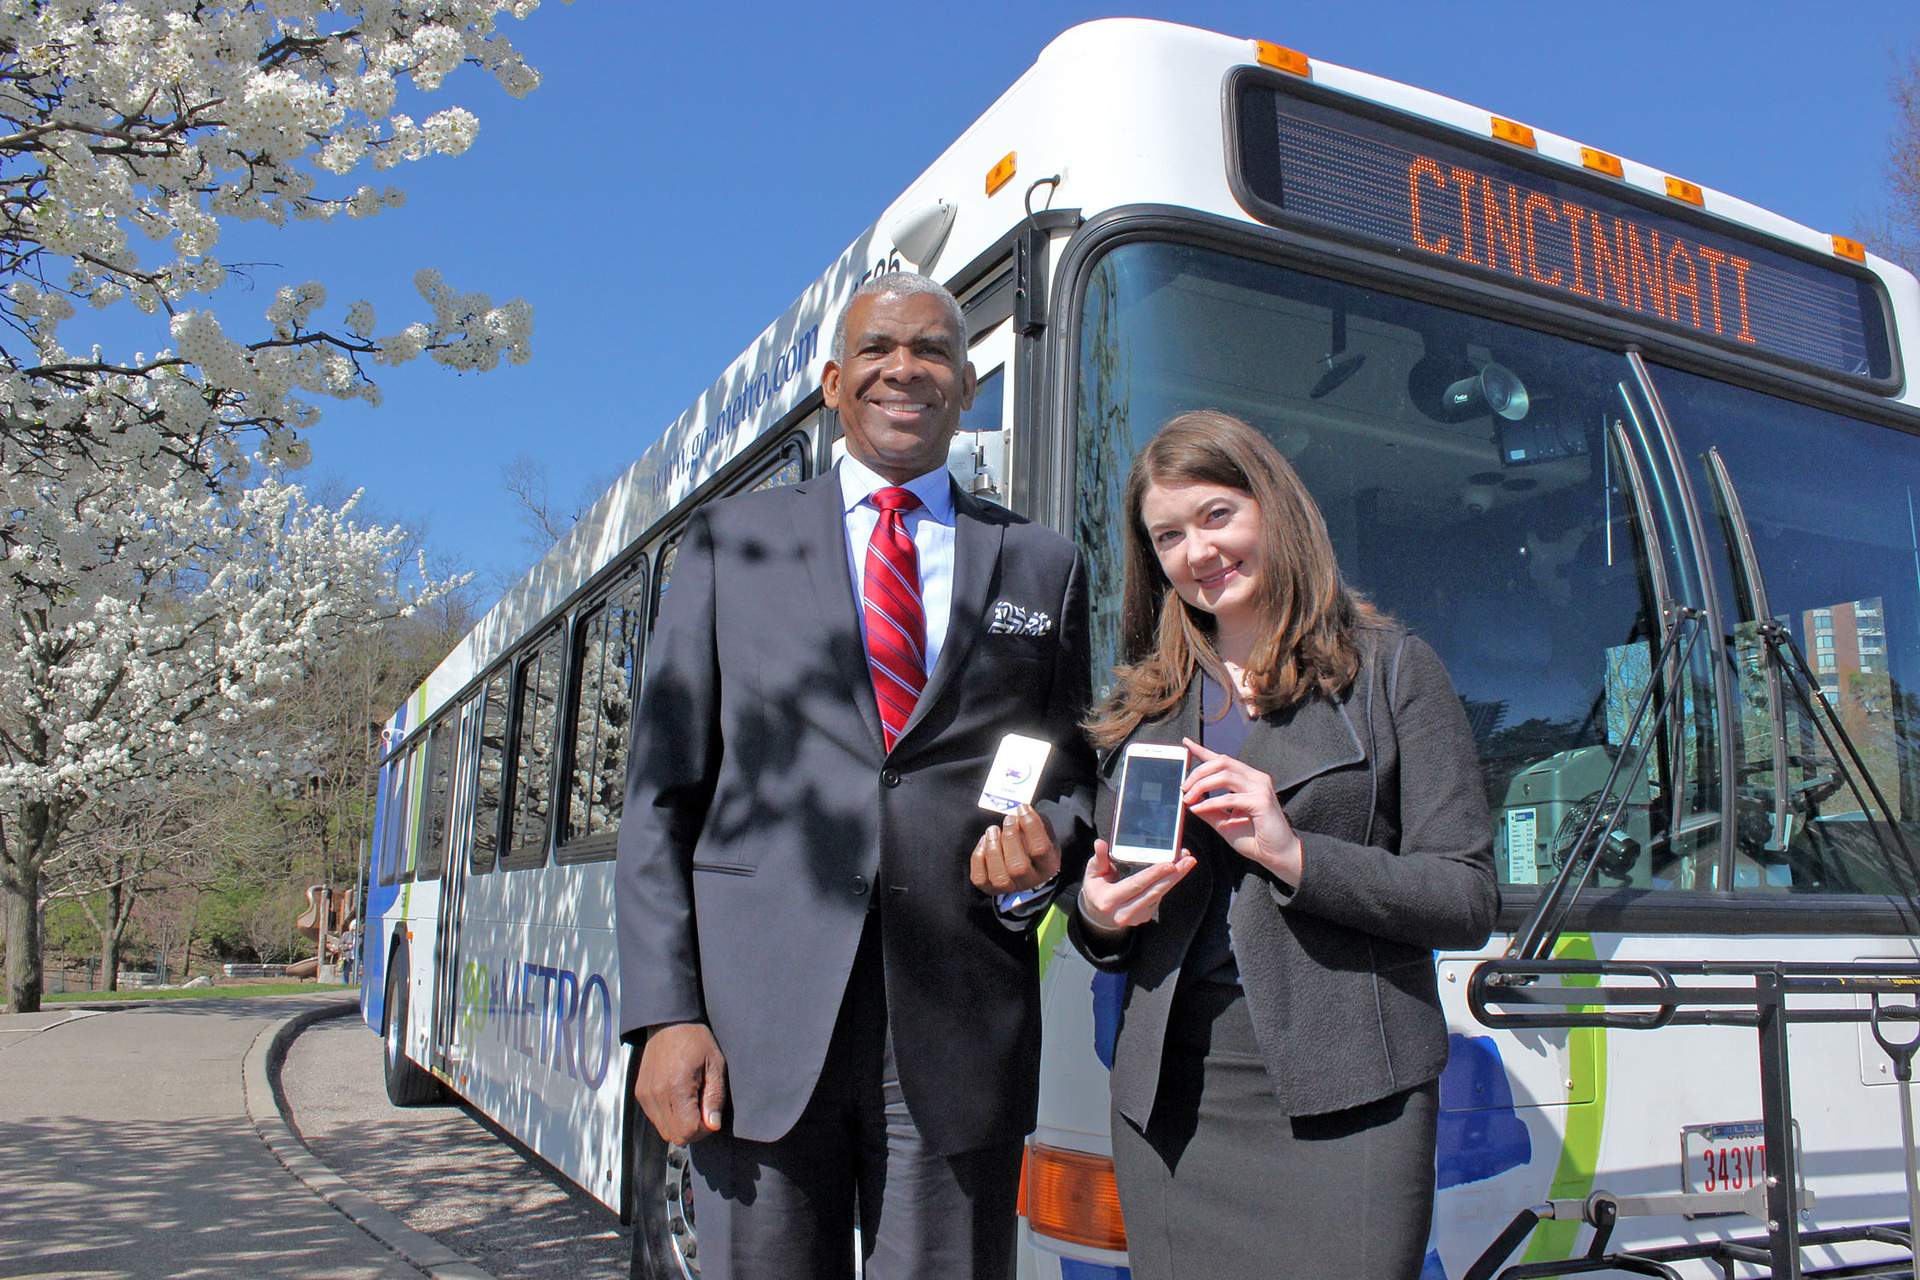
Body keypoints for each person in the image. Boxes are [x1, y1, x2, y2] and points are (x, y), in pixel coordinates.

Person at [616, 271, 1096, 1280]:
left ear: (968, 387)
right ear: (835, 382)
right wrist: (666, 1015)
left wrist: (1051, 837)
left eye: (932, 352)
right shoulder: (728, 544)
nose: (905, 369)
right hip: (755, 1029)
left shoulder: (1043, 564)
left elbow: (1072, 770)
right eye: (879, 349)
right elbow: (661, 795)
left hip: (958, 1024)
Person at [1069, 410, 1498, 1280]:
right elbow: (1110, 919)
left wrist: (1294, 852)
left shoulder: (1392, 670)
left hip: (1351, 1098)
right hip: (1174, 1101)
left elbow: (1465, 899)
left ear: (1275, 506)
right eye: (1169, 536)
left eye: (1218, 514)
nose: (1197, 551)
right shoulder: (1140, 709)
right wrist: (1098, 913)